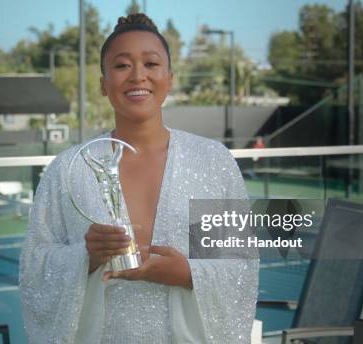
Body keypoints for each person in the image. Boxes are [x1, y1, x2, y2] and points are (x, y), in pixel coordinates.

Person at [19, 13, 258, 344]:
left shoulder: (211, 162)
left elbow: (241, 264)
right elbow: (34, 266)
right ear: (103, 84)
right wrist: (85, 257)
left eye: (151, 64)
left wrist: (189, 274)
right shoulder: (70, 168)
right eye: (121, 66)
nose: (138, 76)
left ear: (170, 78)